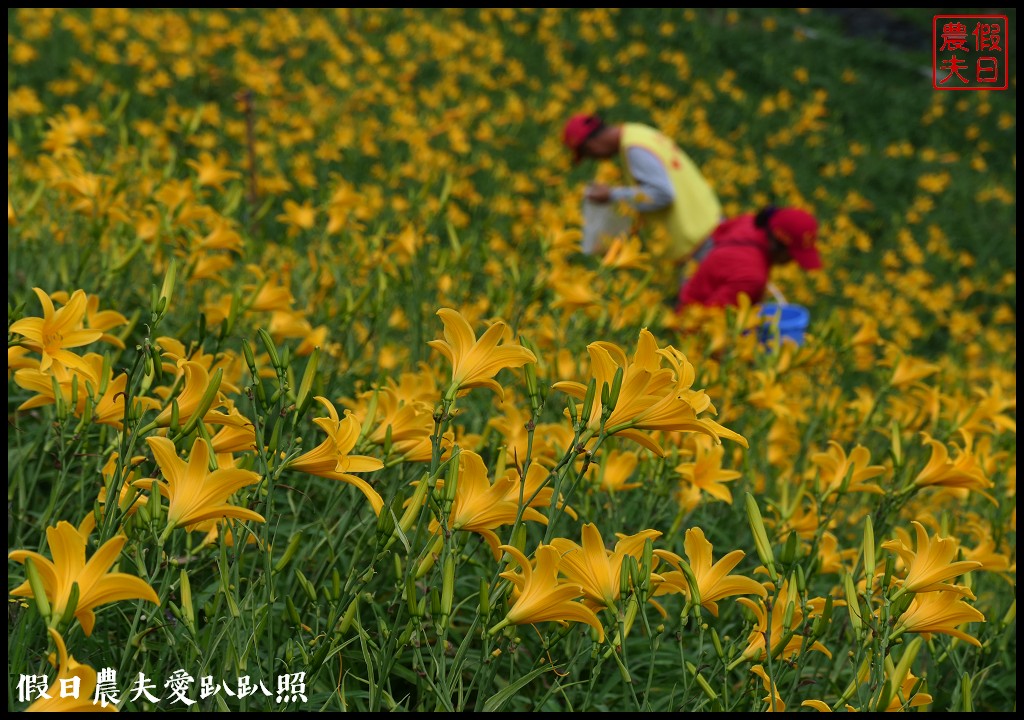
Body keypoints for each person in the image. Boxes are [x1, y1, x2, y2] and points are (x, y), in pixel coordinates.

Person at [562, 113, 721, 265]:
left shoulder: (634, 149)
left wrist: (612, 195)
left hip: (697, 241)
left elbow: (663, 194)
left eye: (589, 154)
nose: (596, 159)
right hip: (709, 225)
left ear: (591, 145)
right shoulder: (638, 133)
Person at [674, 205, 822, 311]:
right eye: (792, 255)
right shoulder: (752, 277)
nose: (792, 262)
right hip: (687, 329)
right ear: (778, 246)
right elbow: (713, 322)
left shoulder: (749, 222)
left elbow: (718, 233)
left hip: (689, 290)